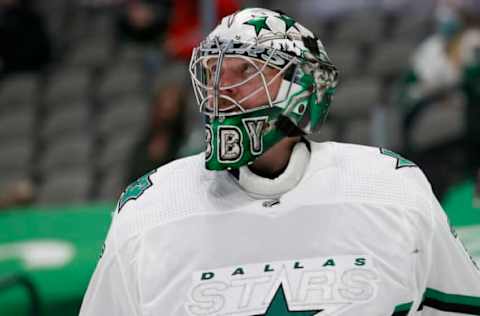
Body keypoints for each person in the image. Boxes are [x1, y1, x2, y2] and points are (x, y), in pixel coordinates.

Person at [80, 7, 480, 315]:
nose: (220, 91)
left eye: (245, 72)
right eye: (213, 73)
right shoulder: (150, 206)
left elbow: (459, 306)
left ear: (304, 89)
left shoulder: (387, 184)